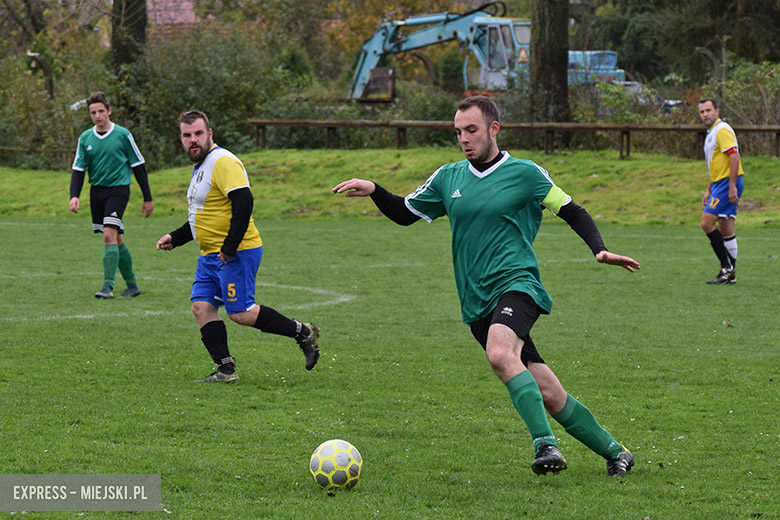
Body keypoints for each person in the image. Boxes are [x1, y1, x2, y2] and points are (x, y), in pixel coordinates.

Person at [333, 95, 639, 477]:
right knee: (547, 390)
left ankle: (545, 445)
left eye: (471, 130)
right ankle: (615, 452)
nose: (464, 138)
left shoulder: (526, 173)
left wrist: (599, 249)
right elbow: (404, 213)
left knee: (499, 353)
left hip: (517, 284)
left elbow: (572, 210)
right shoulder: (448, 178)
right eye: (458, 132)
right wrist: (375, 189)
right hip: (475, 301)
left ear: (494, 129)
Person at [155, 110, 320, 383]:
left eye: (198, 133)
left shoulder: (223, 161)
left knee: (241, 313)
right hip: (210, 254)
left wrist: (229, 248)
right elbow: (203, 215)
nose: (193, 139)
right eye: (187, 135)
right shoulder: (202, 166)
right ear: (181, 138)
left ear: (210, 134)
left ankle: (303, 333)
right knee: (201, 307)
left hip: (236, 252)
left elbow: (244, 203)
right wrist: (176, 237)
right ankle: (226, 370)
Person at [69, 91, 154, 299]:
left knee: (108, 235)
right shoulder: (85, 138)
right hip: (97, 192)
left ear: (109, 110)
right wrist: (74, 195)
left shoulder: (123, 135)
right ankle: (132, 286)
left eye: (101, 111)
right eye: (93, 113)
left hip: (119, 191)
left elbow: (138, 166)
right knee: (116, 239)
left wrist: (147, 197)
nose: (97, 116)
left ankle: (107, 287)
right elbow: (78, 169)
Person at [698, 98, 745, 284]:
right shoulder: (711, 133)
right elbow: (717, 165)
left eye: (708, 110)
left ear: (717, 111)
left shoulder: (722, 130)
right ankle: (730, 276)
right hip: (720, 183)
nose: (705, 114)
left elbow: (734, 157)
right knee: (726, 228)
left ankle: (727, 268)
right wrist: (708, 189)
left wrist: (732, 185)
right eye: (702, 112)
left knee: (706, 223)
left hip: (727, 183)